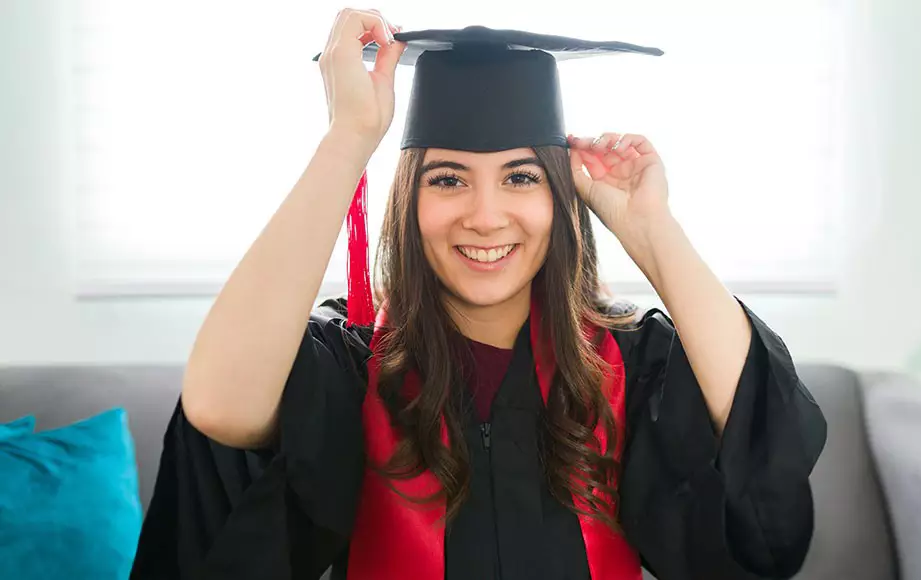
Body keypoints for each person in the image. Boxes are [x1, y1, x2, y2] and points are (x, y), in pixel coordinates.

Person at [129, 8, 826, 580]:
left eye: (521, 178)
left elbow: (764, 467)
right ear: (410, 202)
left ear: (559, 200)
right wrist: (349, 139)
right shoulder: (351, 367)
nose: (486, 215)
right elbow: (219, 408)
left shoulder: (625, 367)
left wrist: (652, 230)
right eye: (448, 178)